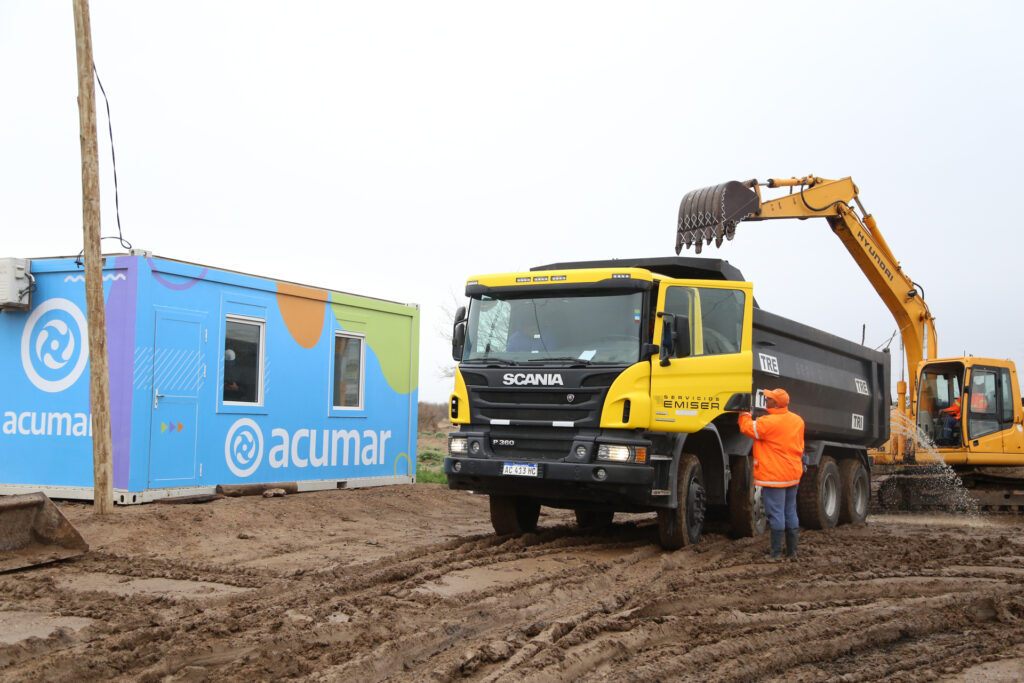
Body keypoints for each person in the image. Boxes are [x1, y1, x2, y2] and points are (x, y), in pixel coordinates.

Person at [738, 388, 806, 559]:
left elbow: (746, 428)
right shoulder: (798, 421)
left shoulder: (768, 422)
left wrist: (744, 412)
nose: (765, 400)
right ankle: (792, 552)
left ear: (776, 403)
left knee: (775, 513)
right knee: (790, 511)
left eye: (768, 398)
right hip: (792, 474)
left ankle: (775, 554)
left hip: (775, 476)